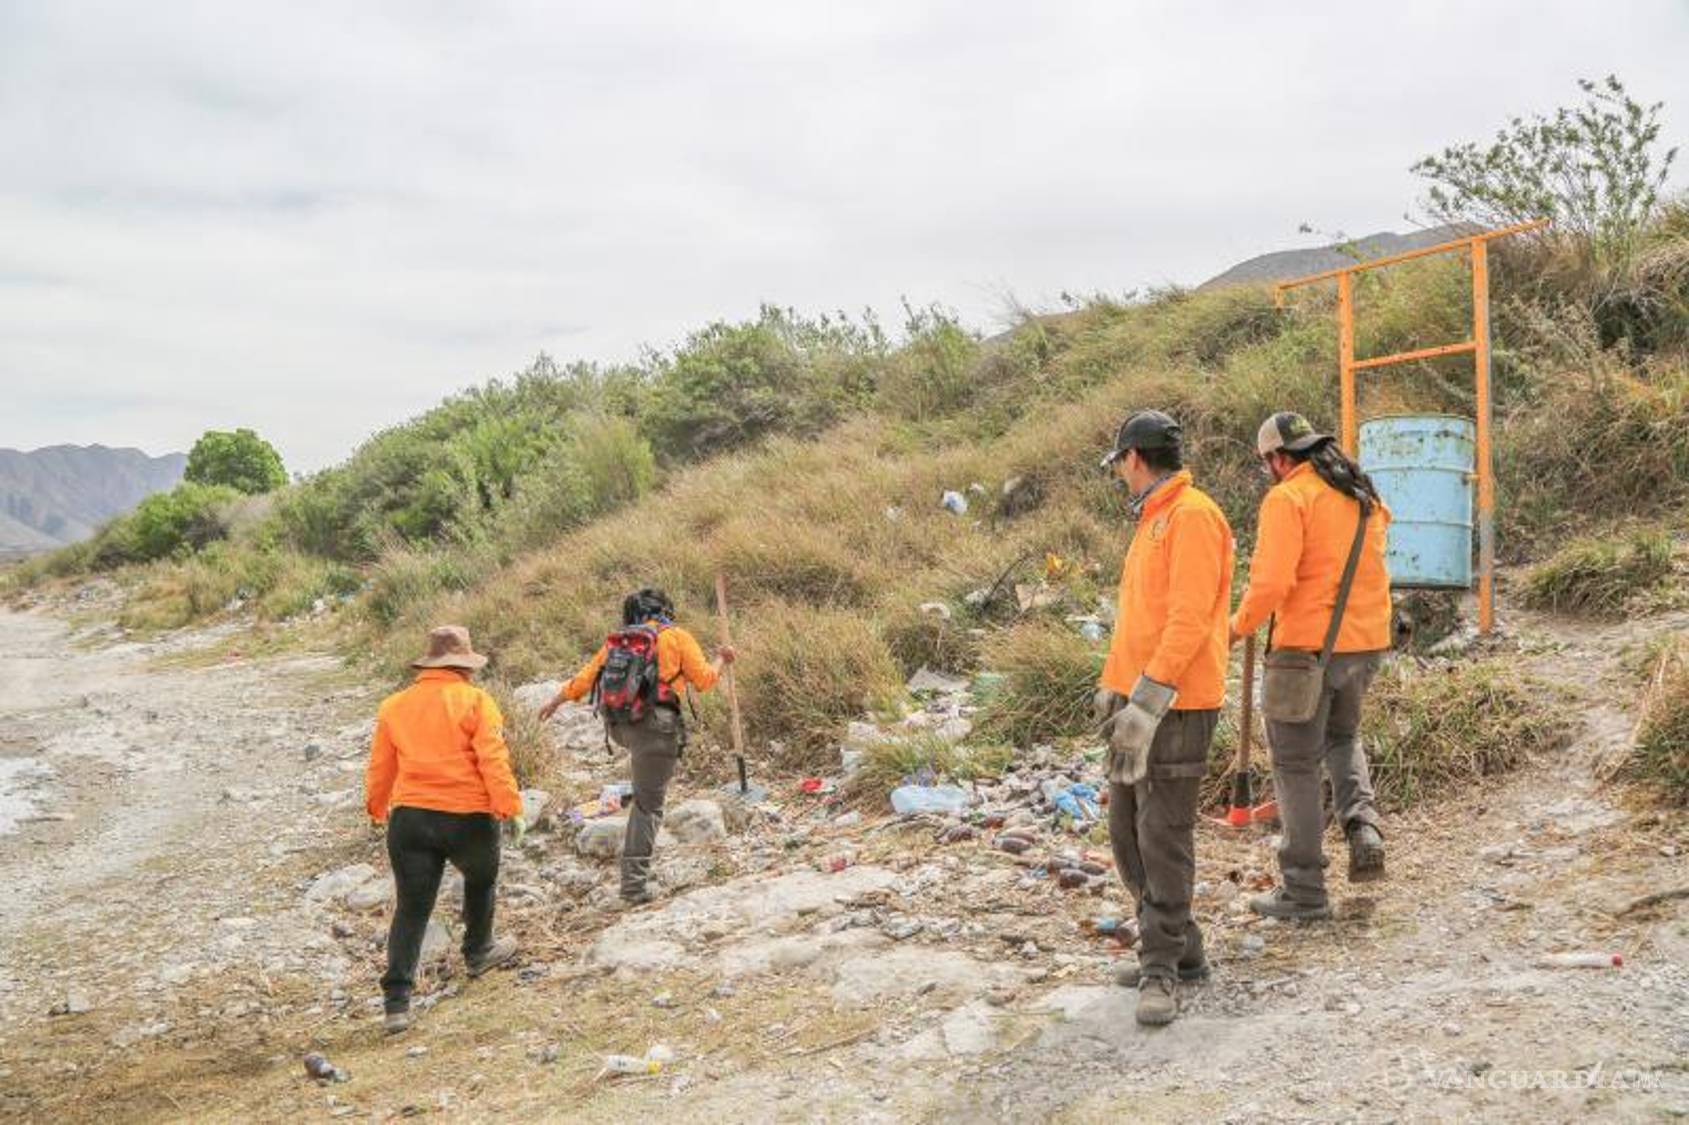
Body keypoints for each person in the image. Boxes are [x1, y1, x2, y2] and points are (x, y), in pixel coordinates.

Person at [1095, 410, 1235, 1027]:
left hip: (1177, 706)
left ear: (1133, 458)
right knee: (1127, 831)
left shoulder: (1194, 517)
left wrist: (1148, 699)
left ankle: (1161, 969)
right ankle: (1183, 950)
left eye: (1119, 464)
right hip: (1136, 704)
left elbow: (1187, 621)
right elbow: (1137, 621)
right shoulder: (1153, 520)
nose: (1119, 475)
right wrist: (1112, 688)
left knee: (1163, 837)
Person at [1231, 412, 1393, 921]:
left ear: (1278, 460)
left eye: (1267, 464)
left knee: (1295, 763)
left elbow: (1273, 584)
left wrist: (1236, 626)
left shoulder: (1288, 499)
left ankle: (1304, 889)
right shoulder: (1362, 496)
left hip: (1304, 653)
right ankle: (1362, 825)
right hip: (1366, 643)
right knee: (1344, 739)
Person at [366, 625, 524, 1035]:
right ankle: (479, 950)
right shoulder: (475, 701)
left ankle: (396, 1003)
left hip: (411, 820)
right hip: (467, 817)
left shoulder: (394, 706)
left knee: (412, 908)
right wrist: (510, 806)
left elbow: (382, 766)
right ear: (464, 666)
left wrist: (377, 807)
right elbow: (492, 758)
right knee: (481, 879)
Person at [539, 588, 736, 906]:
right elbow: (704, 681)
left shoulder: (618, 641)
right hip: (654, 728)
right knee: (649, 806)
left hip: (619, 727)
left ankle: (635, 869)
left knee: (645, 788)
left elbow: (585, 679)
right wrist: (722, 659)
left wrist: (554, 701)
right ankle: (633, 886)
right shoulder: (676, 637)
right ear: (664, 611)